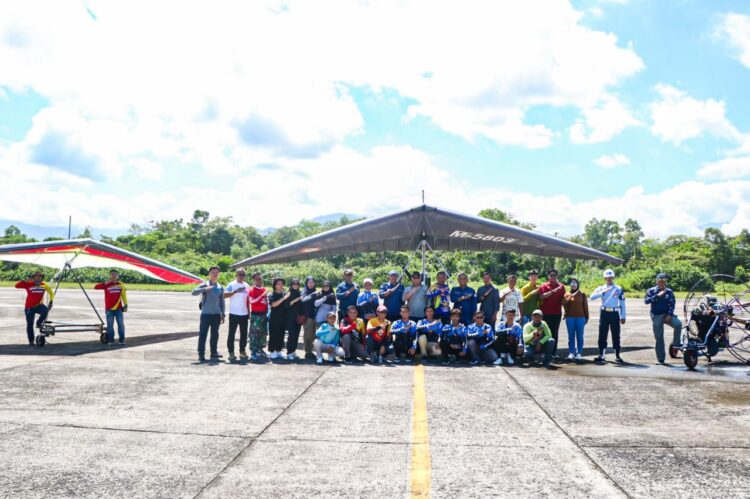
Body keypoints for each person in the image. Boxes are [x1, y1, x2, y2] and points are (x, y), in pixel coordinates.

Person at [644, 273, 683, 365]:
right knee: (659, 337)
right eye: (660, 281)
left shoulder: (669, 291)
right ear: (657, 281)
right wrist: (657, 296)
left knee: (678, 324)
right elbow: (646, 301)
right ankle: (661, 359)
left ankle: (675, 345)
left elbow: (672, 303)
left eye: (663, 281)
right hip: (656, 315)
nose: (661, 283)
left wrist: (670, 314)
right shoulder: (651, 290)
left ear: (665, 282)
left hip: (667, 314)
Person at [590, 269, 626, 363]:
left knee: (616, 334)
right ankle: (602, 355)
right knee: (602, 334)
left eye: (611, 277)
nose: (609, 279)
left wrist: (623, 316)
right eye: (607, 277)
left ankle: (617, 355)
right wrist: (602, 292)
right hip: (604, 313)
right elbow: (591, 297)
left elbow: (622, 303)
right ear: (604, 278)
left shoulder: (618, 288)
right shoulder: (601, 288)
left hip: (614, 313)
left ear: (613, 277)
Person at [191, 266, 225, 362]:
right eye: (213, 272)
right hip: (206, 314)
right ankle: (201, 354)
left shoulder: (220, 287)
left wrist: (223, 314)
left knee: (215, 334)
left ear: (219, 274)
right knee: (203, 334)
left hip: (216, 315)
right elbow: (193, 292)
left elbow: (222, 302)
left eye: (216, 272)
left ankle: (214, 352)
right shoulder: (204, 284)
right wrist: (205, 289)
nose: (215, 274)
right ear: (209, 274)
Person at [15, 271, 55, 345]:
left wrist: (51, 301)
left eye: (40, 276)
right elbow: (16, 285)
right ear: (33, 278)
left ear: (42, 278)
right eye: (36, 276)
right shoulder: (28, 284)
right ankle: (31, 340)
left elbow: (51, 292)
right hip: (29, 308)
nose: (38, 278)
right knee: (30, 324)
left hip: (38, 305)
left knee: (45, 310)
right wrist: (25, 281)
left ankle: (39, 322)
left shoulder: (44, 285)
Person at [536, 269, 565, 359]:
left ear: (557, 276)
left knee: (555, 333)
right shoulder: (544, 286)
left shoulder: (561, 287)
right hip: (546, 313)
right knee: (545, 333)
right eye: (551, 275)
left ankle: (553, 352)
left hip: (556, 313)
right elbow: (541, 297)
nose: (553, 277)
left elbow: (563, 300)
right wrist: (552, 291)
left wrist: (566, 310)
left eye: (554, 275)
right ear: (548, 276)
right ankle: (545, 352)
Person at [94, 269, 128, 346]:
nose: (113, 276)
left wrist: (126, 305)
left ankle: (122, 340)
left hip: (119, 309)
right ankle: (111, 340)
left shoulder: (121, 285)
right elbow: (95, 287)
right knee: (110, 326)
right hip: (109, 309)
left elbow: (124, 295)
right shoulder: (107, 284)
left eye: (115, 274)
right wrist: (105, 283)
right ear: (110, 276)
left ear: (118, 276)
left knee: (121, 325)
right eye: (112, 274)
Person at [223, 268, 250, 360]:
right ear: (236, 275)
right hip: (234, 313)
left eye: (243, 274)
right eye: (240, 274)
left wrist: (249, 312)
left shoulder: (247, 285)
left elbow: (248, 301)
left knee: (244, 334)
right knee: (231, 334)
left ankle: (242, 351)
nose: (241, 276)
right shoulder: (232, 284)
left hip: (244, 314)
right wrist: (235, 291)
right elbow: (224, 295)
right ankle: (231, 352)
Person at [562, 278, 589, 361]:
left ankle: (579, 353)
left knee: (580, 336)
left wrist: (587, 317)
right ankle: (571, 352)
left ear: (578, 285)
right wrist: (568, 298)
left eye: (575, 283)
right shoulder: (567, 294)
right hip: (570, 318)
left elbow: (585, 306)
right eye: (572, 283)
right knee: (571, 336)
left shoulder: (582, 294)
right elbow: (563, 304)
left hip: (581, 318)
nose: (573, 285)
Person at [248, 272, 269, 360]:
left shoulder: (264, 289)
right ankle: (253, 351)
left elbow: (265, 301)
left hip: (264, 314)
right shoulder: (252, 290)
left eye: (260, 278)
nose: (259, 280)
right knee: (254, 334)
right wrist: (261, 296)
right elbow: (252, 302)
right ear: (254, 280)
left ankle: (260, 349)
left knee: (263, 333)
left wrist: (267, 302)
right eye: (257, 279)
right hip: (255, 315)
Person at [285, 278, 304, 360]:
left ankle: (293, 351)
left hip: (298, 317)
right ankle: (289, 352)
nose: (295, 285)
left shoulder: (300, 293)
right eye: (294, 284)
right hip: (290, 317)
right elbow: (286, 306)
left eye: (297, 284)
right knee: (291, 335)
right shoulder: (288, 293)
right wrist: (295, 300)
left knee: (296, 335)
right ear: (291, 285)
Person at [300, 277, 318, 360]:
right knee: (308, 334)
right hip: (308, 316)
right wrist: (312, 295)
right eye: (309, 282)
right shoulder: (304, 291)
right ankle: (307, 352)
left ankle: (310, 351)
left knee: (313, 335)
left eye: (312, 282)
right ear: (306, 283)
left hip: (315, 316)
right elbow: (303, 300)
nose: (311, 284)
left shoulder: (316, 291)